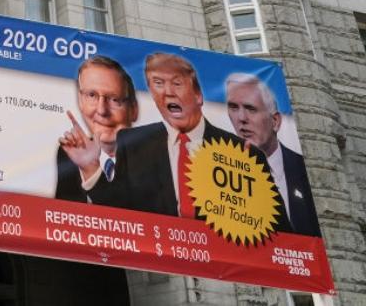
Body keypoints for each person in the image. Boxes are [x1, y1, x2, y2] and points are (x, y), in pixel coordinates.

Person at [62, 52, 290, 231]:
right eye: (158, 84)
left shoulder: (243, 152)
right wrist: (91, 167)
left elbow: (279, 233)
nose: (167, 93)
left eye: (177, 83)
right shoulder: (133, 143)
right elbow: (119, 214)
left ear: (198, 95)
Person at [225, 73, 321, 237]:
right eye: (234, 107)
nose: (241, 118)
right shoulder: (221, 171)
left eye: (250, 108)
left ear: (275, 121)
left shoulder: (305, 170)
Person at [55, 56, 139, 202]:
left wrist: (92, 172)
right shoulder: (68, 154)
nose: (101, 110)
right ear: (80, 102)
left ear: (133, 109)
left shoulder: (157, 157)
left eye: (114, 99)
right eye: (92, 95)